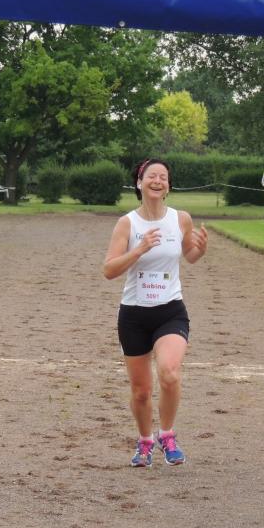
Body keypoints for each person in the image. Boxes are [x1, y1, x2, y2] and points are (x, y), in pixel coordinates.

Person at [103, 158, 208, 467]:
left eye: (163, 177)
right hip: (134, 315)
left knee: (169, 373)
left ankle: (168, 435)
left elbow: (189, 255)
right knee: (141, 391)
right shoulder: (127, 224)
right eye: (152, 176)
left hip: (170, 311)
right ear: (139, 182)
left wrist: (200, 250)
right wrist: (138, 249)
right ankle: (145, 441)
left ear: (168, 186)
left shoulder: (180, 219)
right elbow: (109, 270)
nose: (158, 180)